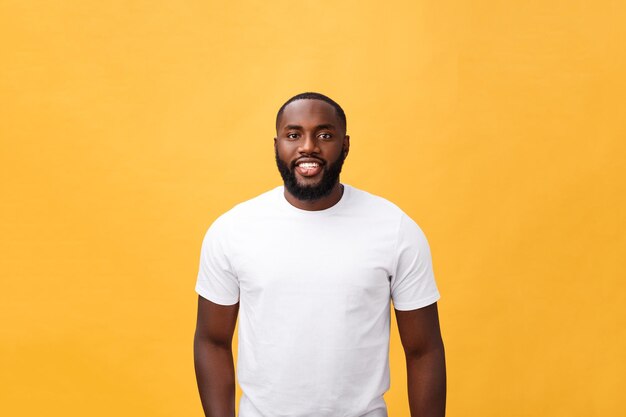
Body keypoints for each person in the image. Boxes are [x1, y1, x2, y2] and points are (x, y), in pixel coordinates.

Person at [194, 92, 446, 417]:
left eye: (324, 135)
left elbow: (424, 350)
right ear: (277, 145)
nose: (308, 146)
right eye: (294, 134)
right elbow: (211, 341)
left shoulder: (395, 229)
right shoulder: (232, 230)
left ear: (345, 145)